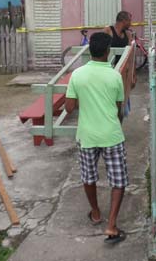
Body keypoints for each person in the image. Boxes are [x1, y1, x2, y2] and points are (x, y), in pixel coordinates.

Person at [65, 32, 128, 244]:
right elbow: (119, 110)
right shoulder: (115, 76)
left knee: (89, 176)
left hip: (87, 135)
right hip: (111, 134)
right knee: (118, 181)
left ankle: (96, 213)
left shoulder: (77, 75)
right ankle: (111, 225)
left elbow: (69, 107)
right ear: (108, 51)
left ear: (90, 49)